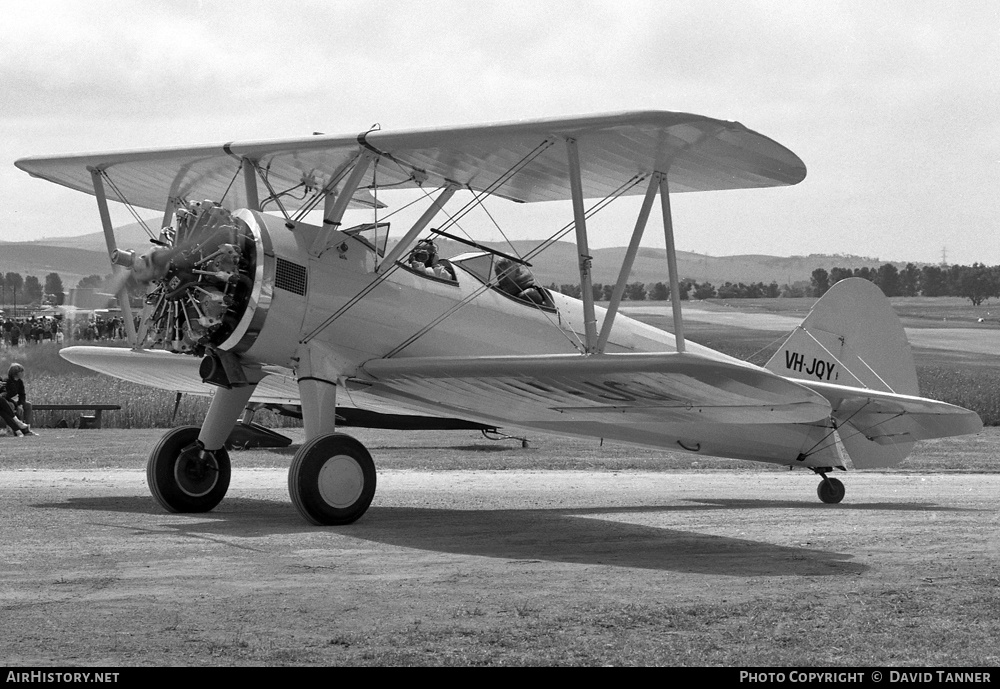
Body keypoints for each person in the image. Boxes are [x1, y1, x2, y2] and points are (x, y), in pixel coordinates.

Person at [1, 363, 35, 436]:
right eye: (21, 372)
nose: (23, 373)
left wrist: (20, 404)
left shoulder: (20, 382)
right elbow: (5, 396)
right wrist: (16, 404)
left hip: (17, 401)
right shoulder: (7, 382)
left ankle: (27, 428)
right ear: (16, 373)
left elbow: (22, 394)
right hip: (9, 401)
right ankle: (10, 429)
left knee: (28, 405)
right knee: (11, 406)